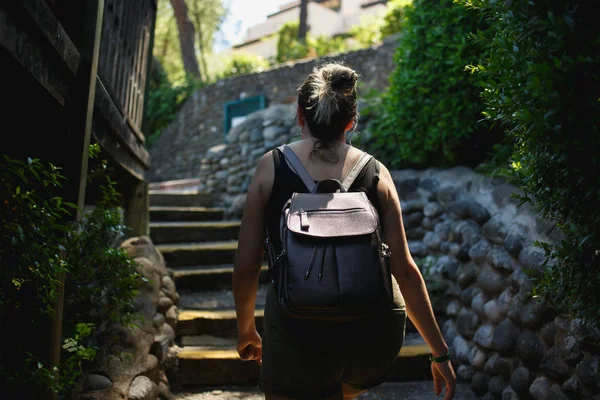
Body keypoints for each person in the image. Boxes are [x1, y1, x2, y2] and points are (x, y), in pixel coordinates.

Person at [232, 62, 456, 400]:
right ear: (351, 122)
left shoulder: (271, 167)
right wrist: (439, 353)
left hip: (296, 330)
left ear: (299, 117)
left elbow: (247, 264)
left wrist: (246, 330)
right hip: (370, 334)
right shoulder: (376, 172)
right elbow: (405, 272)